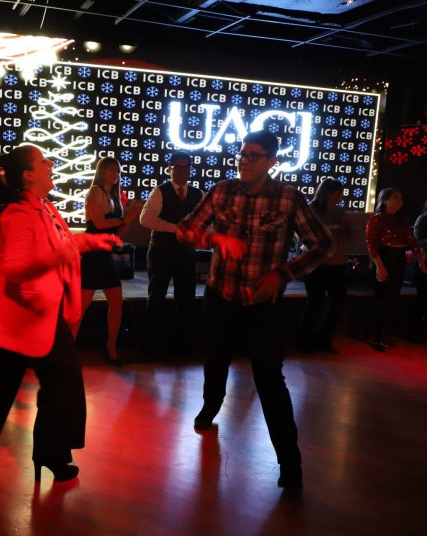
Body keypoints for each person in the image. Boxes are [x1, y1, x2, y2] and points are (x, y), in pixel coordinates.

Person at [0, 145, 121, 482]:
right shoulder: (20, 213)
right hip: (27, 313)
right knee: (62, 380)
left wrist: (90, 243)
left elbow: (60, 244)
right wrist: (58, 256)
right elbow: (16, 267)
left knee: (1, 380)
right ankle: (51, 456)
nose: (50, 163)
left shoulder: (42, 206)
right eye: (41, 160)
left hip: (34, 311)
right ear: (27, 175)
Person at [175, 130, 333, 490]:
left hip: (263, 305)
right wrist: (213, 238)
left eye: (253, 155)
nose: (244, 161)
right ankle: (211, 406)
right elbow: (184, 231)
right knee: (215, 360)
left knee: (270, 379)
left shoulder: (287, 198)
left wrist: (283, 273)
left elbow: (322, 243)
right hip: (220, 295)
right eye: (242, 154)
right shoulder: (221, 191)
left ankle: (290, 462)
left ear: (271, 161)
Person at [72, 157, 142, 365]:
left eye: (118, 171)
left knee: (116, 302)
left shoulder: (115, 197)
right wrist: (125, 218)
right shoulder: (95, 191)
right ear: (101, 171)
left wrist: (129, 219)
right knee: (81, 305)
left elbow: (117, 232)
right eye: (111, 170)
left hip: (105, 254)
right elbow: (99, 223)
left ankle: (111, 346)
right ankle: (67, 348)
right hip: (92, 253)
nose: (115, 174)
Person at [140, 150, 203, 354]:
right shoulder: (160, 191)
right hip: (162, 251)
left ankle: (182, 344)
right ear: (170, 169)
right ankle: (151, 345)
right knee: (156, 295)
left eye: (186, 167)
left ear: (190, 170)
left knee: (186, 297)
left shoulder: (198, 194)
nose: (182, 171)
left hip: (186, 252)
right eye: (178, 167)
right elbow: (145, 220)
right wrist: (175, 228)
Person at [365, 188, 426, 351]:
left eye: (401, 199)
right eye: (395, 198)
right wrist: (379, 266)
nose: (400, 202)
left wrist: (421, 260)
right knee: (382, 297)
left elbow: (411, 241)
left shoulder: (402, 219)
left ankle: (385, 334)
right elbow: (371, 244)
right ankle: (376, 335)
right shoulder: (377, 219)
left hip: (398, 258)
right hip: (384, 257)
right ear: (385, 200)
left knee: (392, 298)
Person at [297, 179, 354, 354]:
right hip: (316, 262)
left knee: (338, 300)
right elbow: (304, 235)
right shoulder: (311, 210)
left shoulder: (339, 211)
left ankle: (325, 339)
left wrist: (343, 232)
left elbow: (349, 233)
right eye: (337, 192)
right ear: (328, 192)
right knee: (316, 301)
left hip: (336, 261)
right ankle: (305, 341)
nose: (340, 196)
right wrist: (330, 233)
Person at [413, 200, 427, 341]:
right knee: (421, 298)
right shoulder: (423, 218)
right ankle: (416, 333)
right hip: (424, 261)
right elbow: (416, 240)